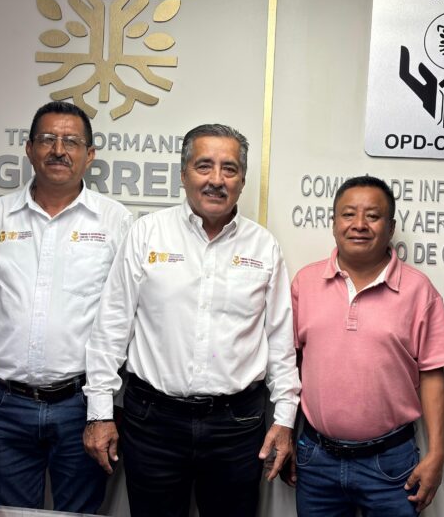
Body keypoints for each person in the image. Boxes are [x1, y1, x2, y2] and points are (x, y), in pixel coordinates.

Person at [84, 124, 300, 517]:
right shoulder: (147, 234)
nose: (217, 179)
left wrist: (284, 420)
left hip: (236, 425)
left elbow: (281, 345)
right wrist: (99, 412)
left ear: (242, 180)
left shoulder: (263, 246)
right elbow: (110, 329)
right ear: (183, 174)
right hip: (153, 422)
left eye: (229, 169)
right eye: (204, 166)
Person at [0, 101, 131, 512]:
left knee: (77, 515)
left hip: (81, 405)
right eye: (47, 139)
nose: (58, 150)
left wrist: (103, 410)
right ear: (29, 149)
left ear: (90, 154)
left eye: (71, 142)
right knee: (10, 514)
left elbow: (122, 320)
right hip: (5, 407)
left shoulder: (115, 221)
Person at [288, 175, 444, 515]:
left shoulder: (418, 290)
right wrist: (286, 434)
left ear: (391, 227)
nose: (359, 225)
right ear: (334, 222)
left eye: (372, 216)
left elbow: (432, 374)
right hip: (316, 458)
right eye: (348, 214)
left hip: (391, 464)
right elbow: (290, 365)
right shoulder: (304, 283)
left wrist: (437, 452)